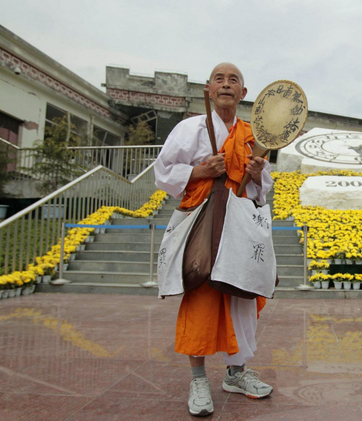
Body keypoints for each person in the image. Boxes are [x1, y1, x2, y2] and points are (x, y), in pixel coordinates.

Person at [154, 63, 274, 417]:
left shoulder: (252, 134)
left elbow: (262, 191)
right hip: (204, 225)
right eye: (219, 79)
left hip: (239, 227)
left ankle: (236, 374)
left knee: (242, 298)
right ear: (208, 89)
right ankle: (198, 379)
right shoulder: (190, 128)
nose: (225, 84)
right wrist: (200, 170)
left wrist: (257, 175)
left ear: (243, 93)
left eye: (233, 80)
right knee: (201, 297)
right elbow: (163, 172)